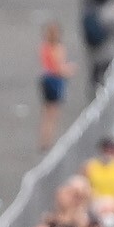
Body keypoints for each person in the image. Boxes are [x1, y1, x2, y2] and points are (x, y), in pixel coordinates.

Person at [38, 23, 72, 151]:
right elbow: (59, 68)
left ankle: (44, 138)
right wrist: (69, 70)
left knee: (46, 111)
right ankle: (48, 140)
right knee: (53, 113)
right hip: (55, 80)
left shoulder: (44, 48)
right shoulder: (58, 48)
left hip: (46, 79)